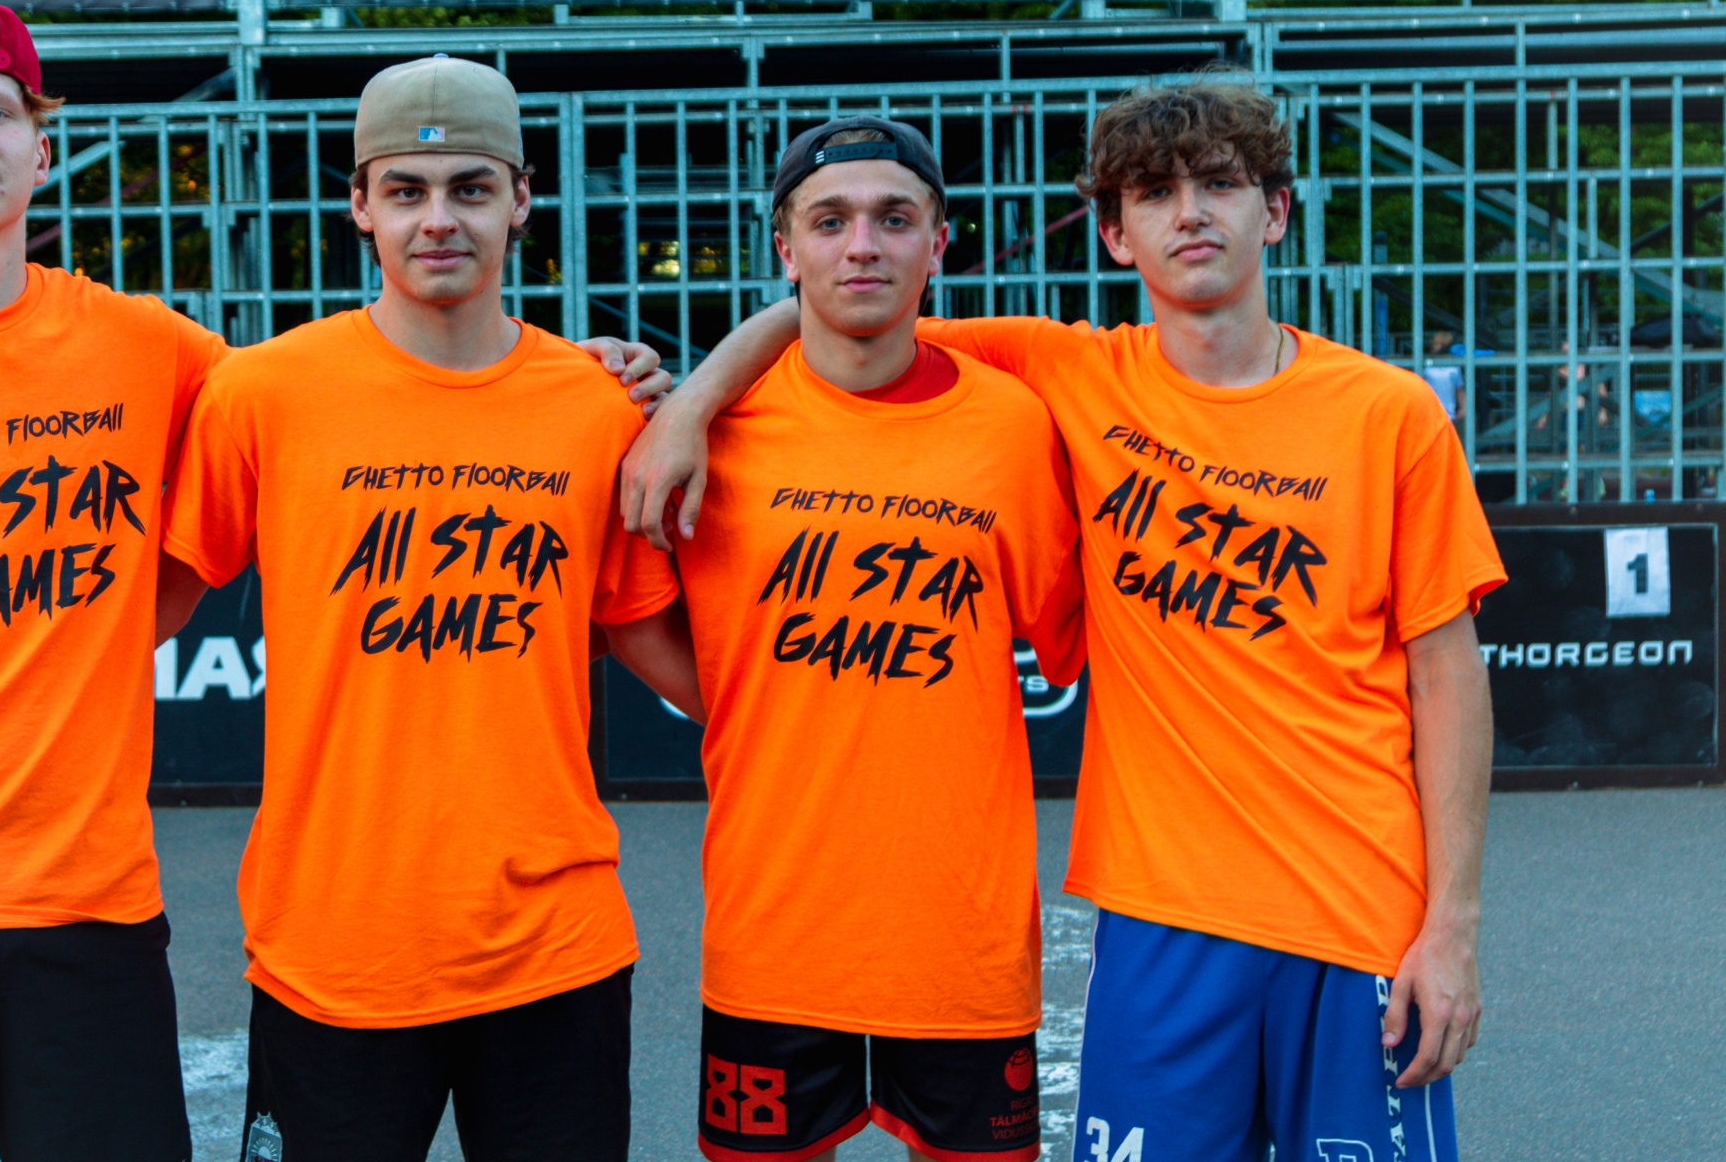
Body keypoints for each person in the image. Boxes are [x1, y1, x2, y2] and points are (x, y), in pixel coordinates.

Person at [0, 9, 664, 1161]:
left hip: (88, 913)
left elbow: (378, 389)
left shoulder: (157, 352)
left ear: (42, 149)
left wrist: (601, 380)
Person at [625, 80, 1505, 1162]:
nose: (1191, 213)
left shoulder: (1389, 414)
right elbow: (842, 308)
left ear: (1275, 211)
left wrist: (1452, 926)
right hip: (1158, 914)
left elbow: (1447, 674)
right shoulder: (1069, 372)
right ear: (1115, 234)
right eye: (1155, 193)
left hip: (1359, 906)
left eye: (1221, 185)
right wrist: (692, 400)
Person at [161, 55, 697, 1162]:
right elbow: (134, 616)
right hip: (332, 946)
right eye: (406, 190)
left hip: (553, 946)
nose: (438, 219)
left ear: (522, 199)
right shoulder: (262, 394)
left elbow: (644, 637)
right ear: (360, 205)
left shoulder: (598, 407)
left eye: (471, 187)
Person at [667, 119, 1084, 1162]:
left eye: (894, 219)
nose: (862, 245)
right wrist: (746, 705)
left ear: (938, 244)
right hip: (774, 930)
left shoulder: (1014, 424)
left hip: (959, 939)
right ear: (785, 248)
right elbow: (628, 609)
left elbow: (1073, 634)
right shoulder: (708, 430)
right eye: (830, 221)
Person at [1424, 330, 1466, 423]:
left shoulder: (1454, 366)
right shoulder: (1425, 365)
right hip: (1429, 415)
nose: (1437, 347)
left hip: (1449, 415)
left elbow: (1459, 389)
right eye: (1435, 344)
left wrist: (1463, 408)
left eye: (1441, 344)